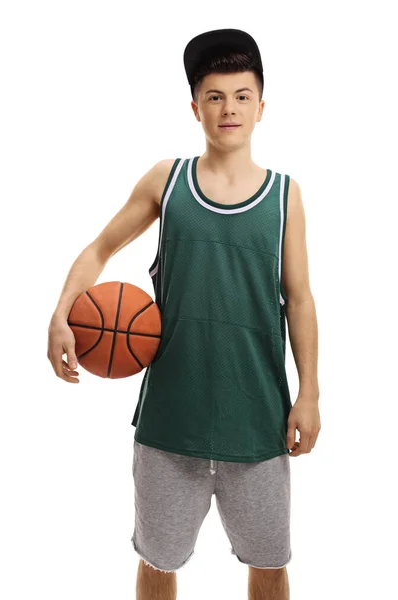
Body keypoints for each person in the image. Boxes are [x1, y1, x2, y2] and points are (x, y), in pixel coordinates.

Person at [47, 28, 321, 600]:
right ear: (195, 106)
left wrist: (310, 394)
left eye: (242, 96)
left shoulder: (284, 196)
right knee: (159, 562)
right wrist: (60, 314)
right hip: (171, 422)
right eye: (215, 96)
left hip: (259, 421)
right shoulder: (166, 182)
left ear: (262, 107)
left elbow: (299, 300)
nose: (229, 109)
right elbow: (98, 249)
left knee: (270, 564)